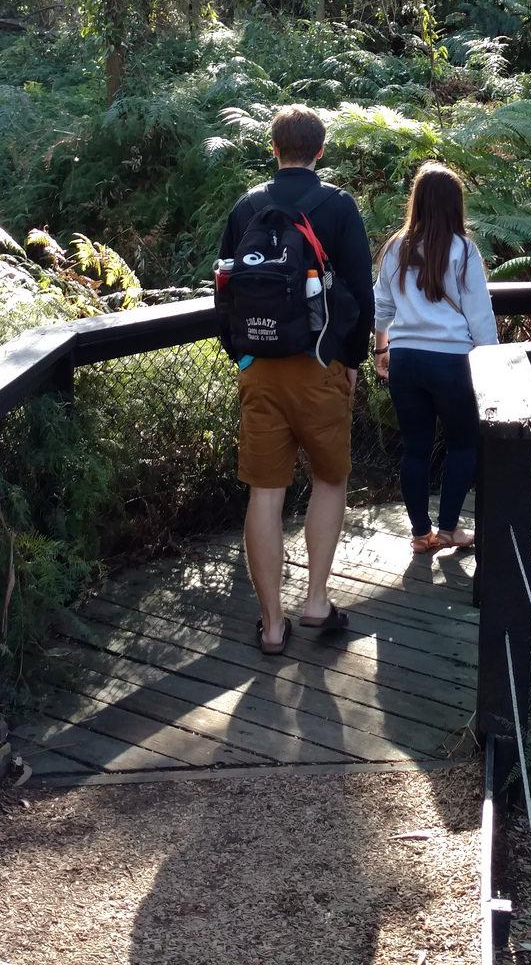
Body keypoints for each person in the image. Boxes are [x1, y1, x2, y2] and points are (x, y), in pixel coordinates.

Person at [216, 106, 373, 655]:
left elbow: (224, 289)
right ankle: (315, 601)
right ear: (321, 150)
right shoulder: (337, 206)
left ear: (274, 148)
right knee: (330, 480)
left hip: (258, 369)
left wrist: (242, 357)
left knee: (265, 493)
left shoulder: (247, 206)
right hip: (319, 365)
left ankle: (272, 624)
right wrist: (350, 361)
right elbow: (362, 291)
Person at [373, 162, 498, 555]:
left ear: (418, 201)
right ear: (455, 204)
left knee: (415, 447)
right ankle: (448, 529)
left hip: (405, 359)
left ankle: (420, 533)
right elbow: (480, 315)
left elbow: (381, 305)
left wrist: (380, 347)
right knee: (463, 443)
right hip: (450, 361)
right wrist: (492, 361)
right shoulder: (464, 250)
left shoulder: (397, 247)